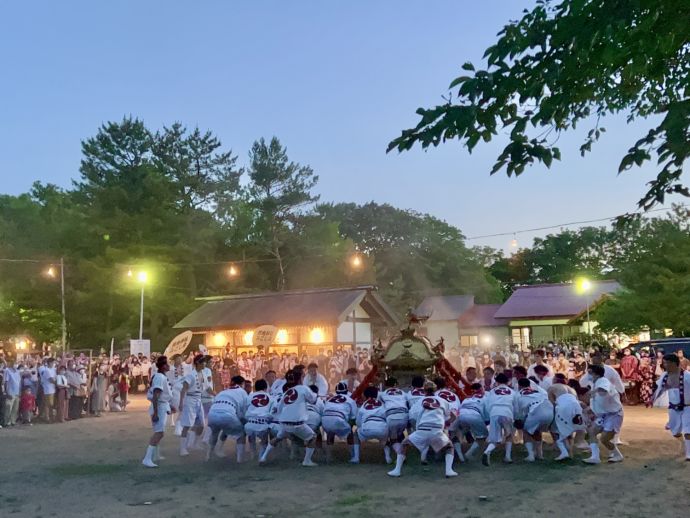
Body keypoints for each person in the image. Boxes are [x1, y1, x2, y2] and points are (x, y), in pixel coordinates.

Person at [387, 380, 457, 478]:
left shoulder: (420, 401)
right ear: (435, 390)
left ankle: (397, 470)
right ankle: (449, 470)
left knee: (404, 444)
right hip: (437, 430)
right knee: (449, 447)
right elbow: (453, 415)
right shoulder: (443, 401)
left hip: (423, 429)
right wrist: (446, 423)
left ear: (424, 390)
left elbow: (413, 415)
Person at [260, 370, 319, 467]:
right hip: (297, 423)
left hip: (284, 423)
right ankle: (307, 461)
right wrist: (316, 395)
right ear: (300, 378)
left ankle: (263, 457)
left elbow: (278, 408)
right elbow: (313, 401)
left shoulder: (287, 391)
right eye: (303, 376)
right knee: (312, 437)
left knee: (277, 438)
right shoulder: (304, 388)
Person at [583, 364, 625, 464]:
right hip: (603, 415)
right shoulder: (595, 383)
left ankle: (617, 455)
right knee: (592, 431)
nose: (587, 375)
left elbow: (603, 390)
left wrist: (593, 391)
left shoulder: (603, 381)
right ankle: (595, 457)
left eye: (589, 373)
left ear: (596, 374)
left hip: (614, 414)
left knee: (605, 439)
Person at [652, 354, 690, 461]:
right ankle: (684, 444)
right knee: (675, 431)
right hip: (673, 408)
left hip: (688, 407)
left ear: (674, 363)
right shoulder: (665, 375)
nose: (665, 365)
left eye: (667, 363)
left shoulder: (687, 376)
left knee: (688, 430)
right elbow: (660, 389)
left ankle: (689, 453)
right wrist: (652, 399)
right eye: (664, 363)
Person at [206, 375, 248, 463]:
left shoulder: (223, 391)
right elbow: (243, 414)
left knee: (214, 433)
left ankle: (208, 456)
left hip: (212, 414)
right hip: (227, 415)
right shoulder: (242, 392)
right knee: (241, 434)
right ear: (242, 384)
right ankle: (240, 460)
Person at [142, 356, 174, 468]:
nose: (169, 365)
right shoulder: (160, 377)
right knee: (159, 433)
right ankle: (147, 458)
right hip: (159, 407)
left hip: (162, 405)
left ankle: (155, 455)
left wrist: (169, 406)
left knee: (159, 431)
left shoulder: (160, 376)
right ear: (163, 366)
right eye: (167, 364)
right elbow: (156, 395)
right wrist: (156, 413)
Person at [482, 373, 518, 466]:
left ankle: (487, 451)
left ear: (496, 382)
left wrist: (490, 415)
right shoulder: (512, 392)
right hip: (507, 412)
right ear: (507, 382)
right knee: (509, 435)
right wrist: (515, 417)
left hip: (494, 412)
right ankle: (508, 457)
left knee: (494, 438)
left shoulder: (492, 391)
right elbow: (516, 407)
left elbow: (487, 405)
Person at [515, 378, 553, 462]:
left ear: (519, 386)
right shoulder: (539, 392)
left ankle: (531, 455)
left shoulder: (518, 395)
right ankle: (540, 454)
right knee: (537, 430)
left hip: (536, 410)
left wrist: (518, 420)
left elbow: (518, 413)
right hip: (549, 410)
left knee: (526, 430)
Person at [322, 382, 359, 463]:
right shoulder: (350, 400)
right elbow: (354, 418)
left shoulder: (329, 400)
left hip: (325, 421)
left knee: (330, 432)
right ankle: (353, 456)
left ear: (336, 391)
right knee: (350, 433)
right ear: (346, 391)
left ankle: (328, 456)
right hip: (338, 419)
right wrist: (348, 427)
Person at [178, 355, 207, 456]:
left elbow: (206, 387)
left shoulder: (202, 373)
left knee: (201, 425)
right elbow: (184, 389)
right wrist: (181, 403)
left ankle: (194, 444)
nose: (205, 364)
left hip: (199, 400)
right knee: (187, 425)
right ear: (198, 363)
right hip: (190, 400)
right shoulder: (190, 375)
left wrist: (216, 395)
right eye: (203, 362)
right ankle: (183, 448)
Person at [548, 382, 585, 460]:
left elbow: (552, 403)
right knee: (569, 430)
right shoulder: (572, 389)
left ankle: (564, 452)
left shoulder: (552, 387)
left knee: (561, 431)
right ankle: (569, 452)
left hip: (563, 407)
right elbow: (577, 401)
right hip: (576, 406)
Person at [356, 386, 391, 463]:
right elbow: (387, 416)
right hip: (382, 427)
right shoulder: (383, 403)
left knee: (356, 434)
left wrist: (361, 427)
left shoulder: (363, 405)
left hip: (367, 428)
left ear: (365, 396)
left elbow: (358, 422)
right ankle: (388, 457)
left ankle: (356, 457)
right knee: (386, 440)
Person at [379, 377, 409, 463]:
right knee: (400, 435)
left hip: (391, 416)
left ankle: (401, 455)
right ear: (396, 384)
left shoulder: (382, 394)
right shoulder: (403, 393)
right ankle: (402, 453)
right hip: (404, 416)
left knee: (393, 439)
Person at [244, 379, 274, 461]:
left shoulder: (249, 396)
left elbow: (245, 409)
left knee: (251, 437)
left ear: (255, 388)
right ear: (266, 387)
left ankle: (252, 454)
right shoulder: (270, 397)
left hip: (249, 424)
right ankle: (261, 458)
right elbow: (273, 413)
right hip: (262, 424)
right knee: (264, 441)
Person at [3, 360, 21, 427]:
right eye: (14, 363)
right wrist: (6, 392)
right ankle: (7, 422)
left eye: (16, 363)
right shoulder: (7, 371)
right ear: (11, 364)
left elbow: (19, 382)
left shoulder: (18, 372)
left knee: (15, 408)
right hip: (10, 392)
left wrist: (19, 392)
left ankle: (13, 421)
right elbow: (5, 382)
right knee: (8, 408)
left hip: (17, 392)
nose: (15, 365)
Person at [39, 358, 57, 422]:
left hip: (53, 389)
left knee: (51, 404)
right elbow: (51, 380)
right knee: (48, 404)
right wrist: (58, 383)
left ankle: (51, 416)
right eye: (52, 363)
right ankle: (47, 417)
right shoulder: (46, 370)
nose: (53, 364)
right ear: (49, 363)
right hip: (48, 389)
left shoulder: (53, 369)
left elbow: (55, 377)